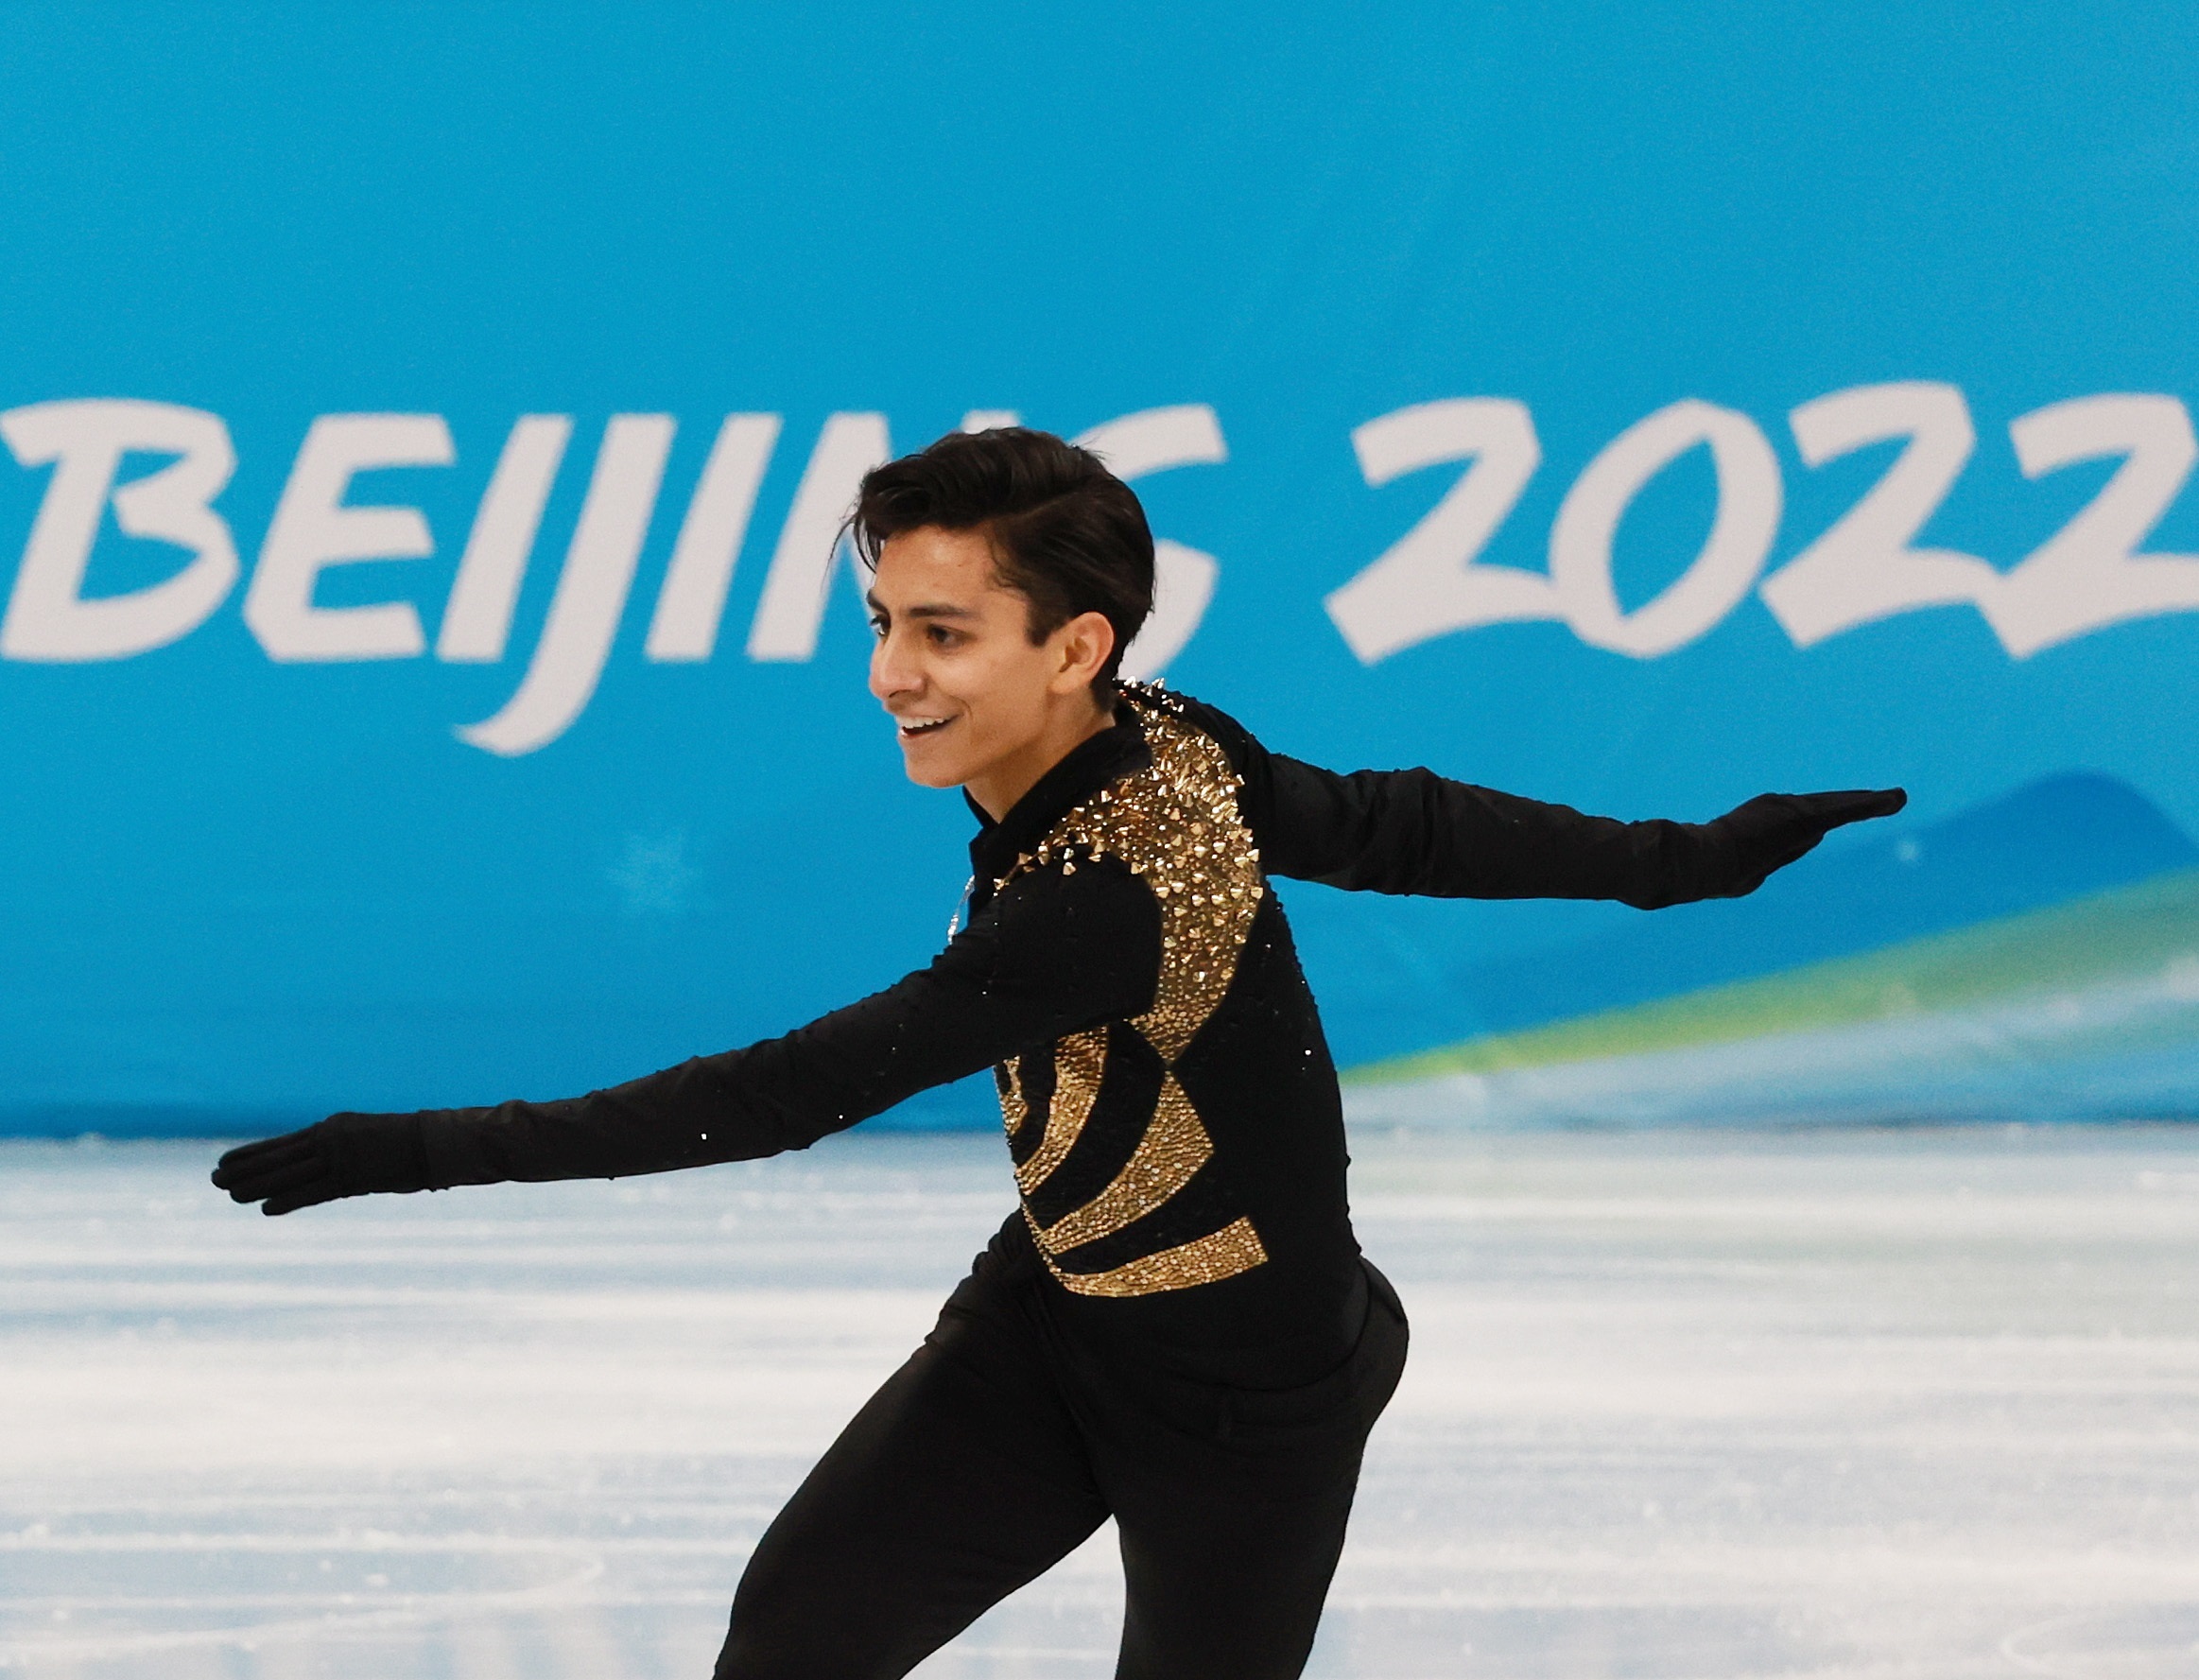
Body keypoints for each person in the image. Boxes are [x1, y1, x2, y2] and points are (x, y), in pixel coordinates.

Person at [213, 426, 1906, 1679]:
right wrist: (1673, 857)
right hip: (1049, 1322)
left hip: (1253, 1404)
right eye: (881, 619)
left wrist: (412, 1148)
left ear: (1071, 648)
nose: (889, 674)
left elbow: (773, 1094)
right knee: (793, 1638)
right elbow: (1389, 820)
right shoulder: (1165, 738)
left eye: (940, 634)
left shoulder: (1105, 890)